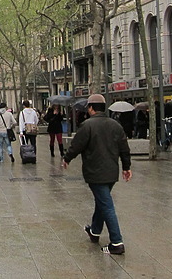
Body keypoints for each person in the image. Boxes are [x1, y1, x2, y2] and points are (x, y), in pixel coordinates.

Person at [62, 94, 132, 255]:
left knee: (106, 205)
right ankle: (94, 231)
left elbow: (76, 145)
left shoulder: (87, 125)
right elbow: (124, 148)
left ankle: (116, 242)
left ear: (91, 108)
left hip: (95, 172)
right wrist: (126, 167)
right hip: (111, 172)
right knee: (102, 200)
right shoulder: (115, 125)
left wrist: (67, 159)